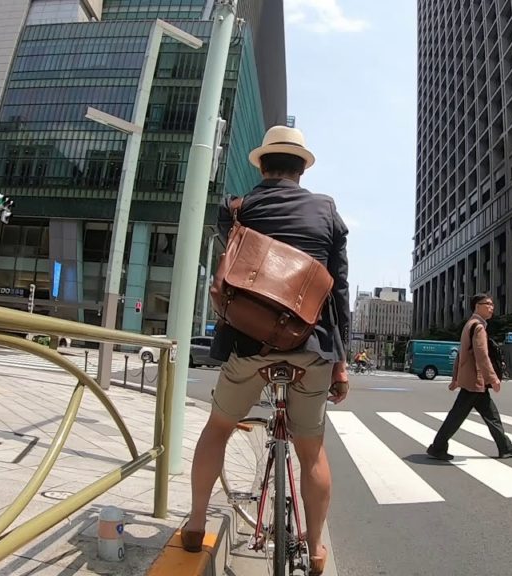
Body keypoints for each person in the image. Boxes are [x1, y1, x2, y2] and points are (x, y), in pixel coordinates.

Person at [180, 126, 349, 575]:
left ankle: (195, 524)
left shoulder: (240, 208)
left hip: (248, 343)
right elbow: (340, 293)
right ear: (301, 168)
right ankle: (314, 550)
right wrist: (342, 364)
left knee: (218, 427)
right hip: (311, 344)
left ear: (263, 165)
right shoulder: (327, 211)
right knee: (310, 449)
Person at [426, 294, 512, 461]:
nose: (492, 307)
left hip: (474, 381)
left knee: (490, 416)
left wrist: (456, 378)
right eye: (488, 304)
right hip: (475, 381)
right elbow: (482, 355)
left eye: (492, 304)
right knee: (457, 416)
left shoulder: (469, 325)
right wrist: (493, 378)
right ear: (477, 306)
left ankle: (505, 447)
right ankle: (438, 447)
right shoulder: (478, 327)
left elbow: (461, 354)